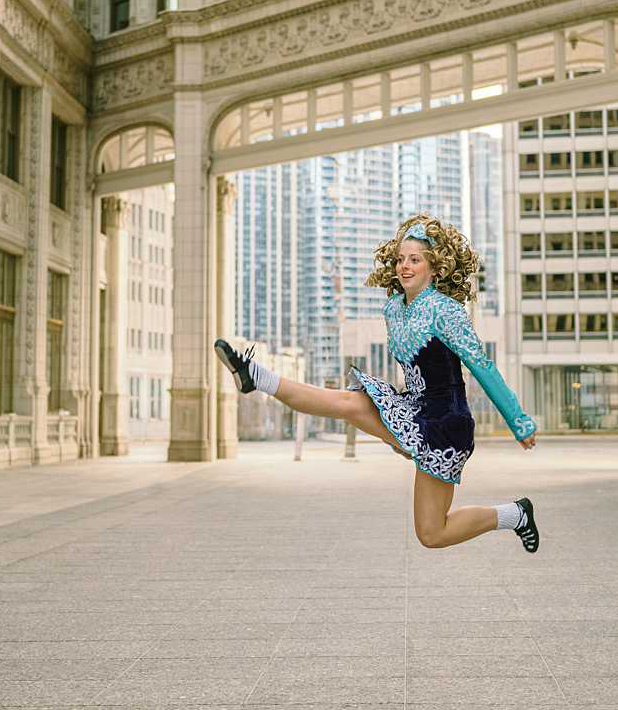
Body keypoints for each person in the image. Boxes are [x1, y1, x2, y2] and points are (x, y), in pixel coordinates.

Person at [215, 214, 541, 553]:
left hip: (446, 425)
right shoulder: (394, 310)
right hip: (414, 409)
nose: (404, 266)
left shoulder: (447, 311)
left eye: (415, 260)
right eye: (401, 259)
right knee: (347, 403)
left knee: (432, 534)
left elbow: (482, 366)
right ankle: (256, 376)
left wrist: (518, 420)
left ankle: (515, 514)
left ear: (435, 268)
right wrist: (394, 434)